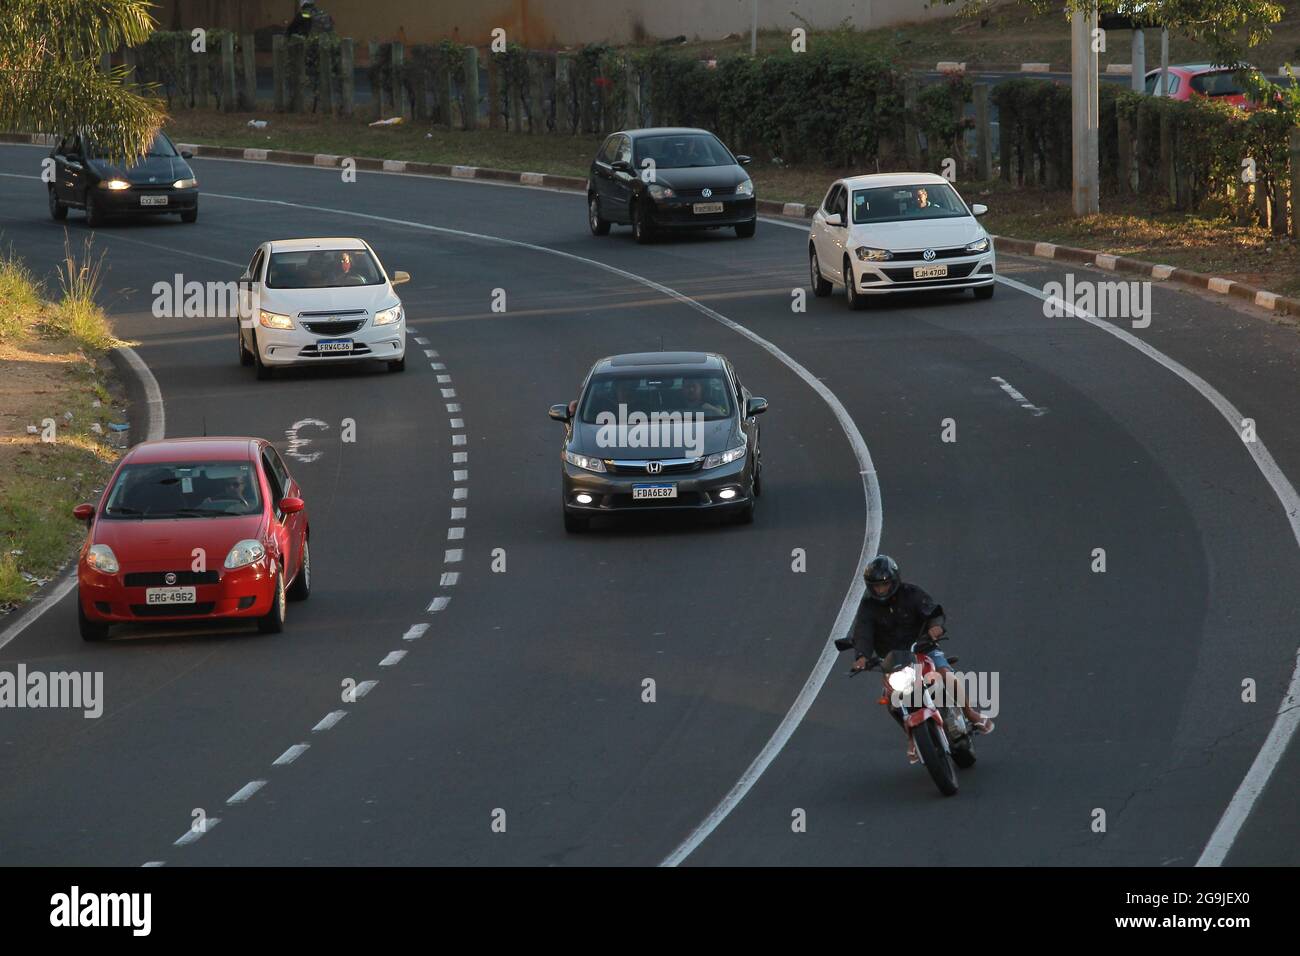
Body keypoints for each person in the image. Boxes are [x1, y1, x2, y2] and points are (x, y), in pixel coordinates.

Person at [850, 554, 993, 763]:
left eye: (885, 584)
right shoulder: (867, 607)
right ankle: (912, 737)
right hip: (893, 661)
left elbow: (932, 611)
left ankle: (970, 713)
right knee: (891, 700)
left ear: (894, 580)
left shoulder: (912, 593)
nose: (881, 590)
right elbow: (862, 633)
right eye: (876, 586)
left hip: (922, 648)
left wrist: (935, 626)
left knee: (944, 673)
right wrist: (861, 656)